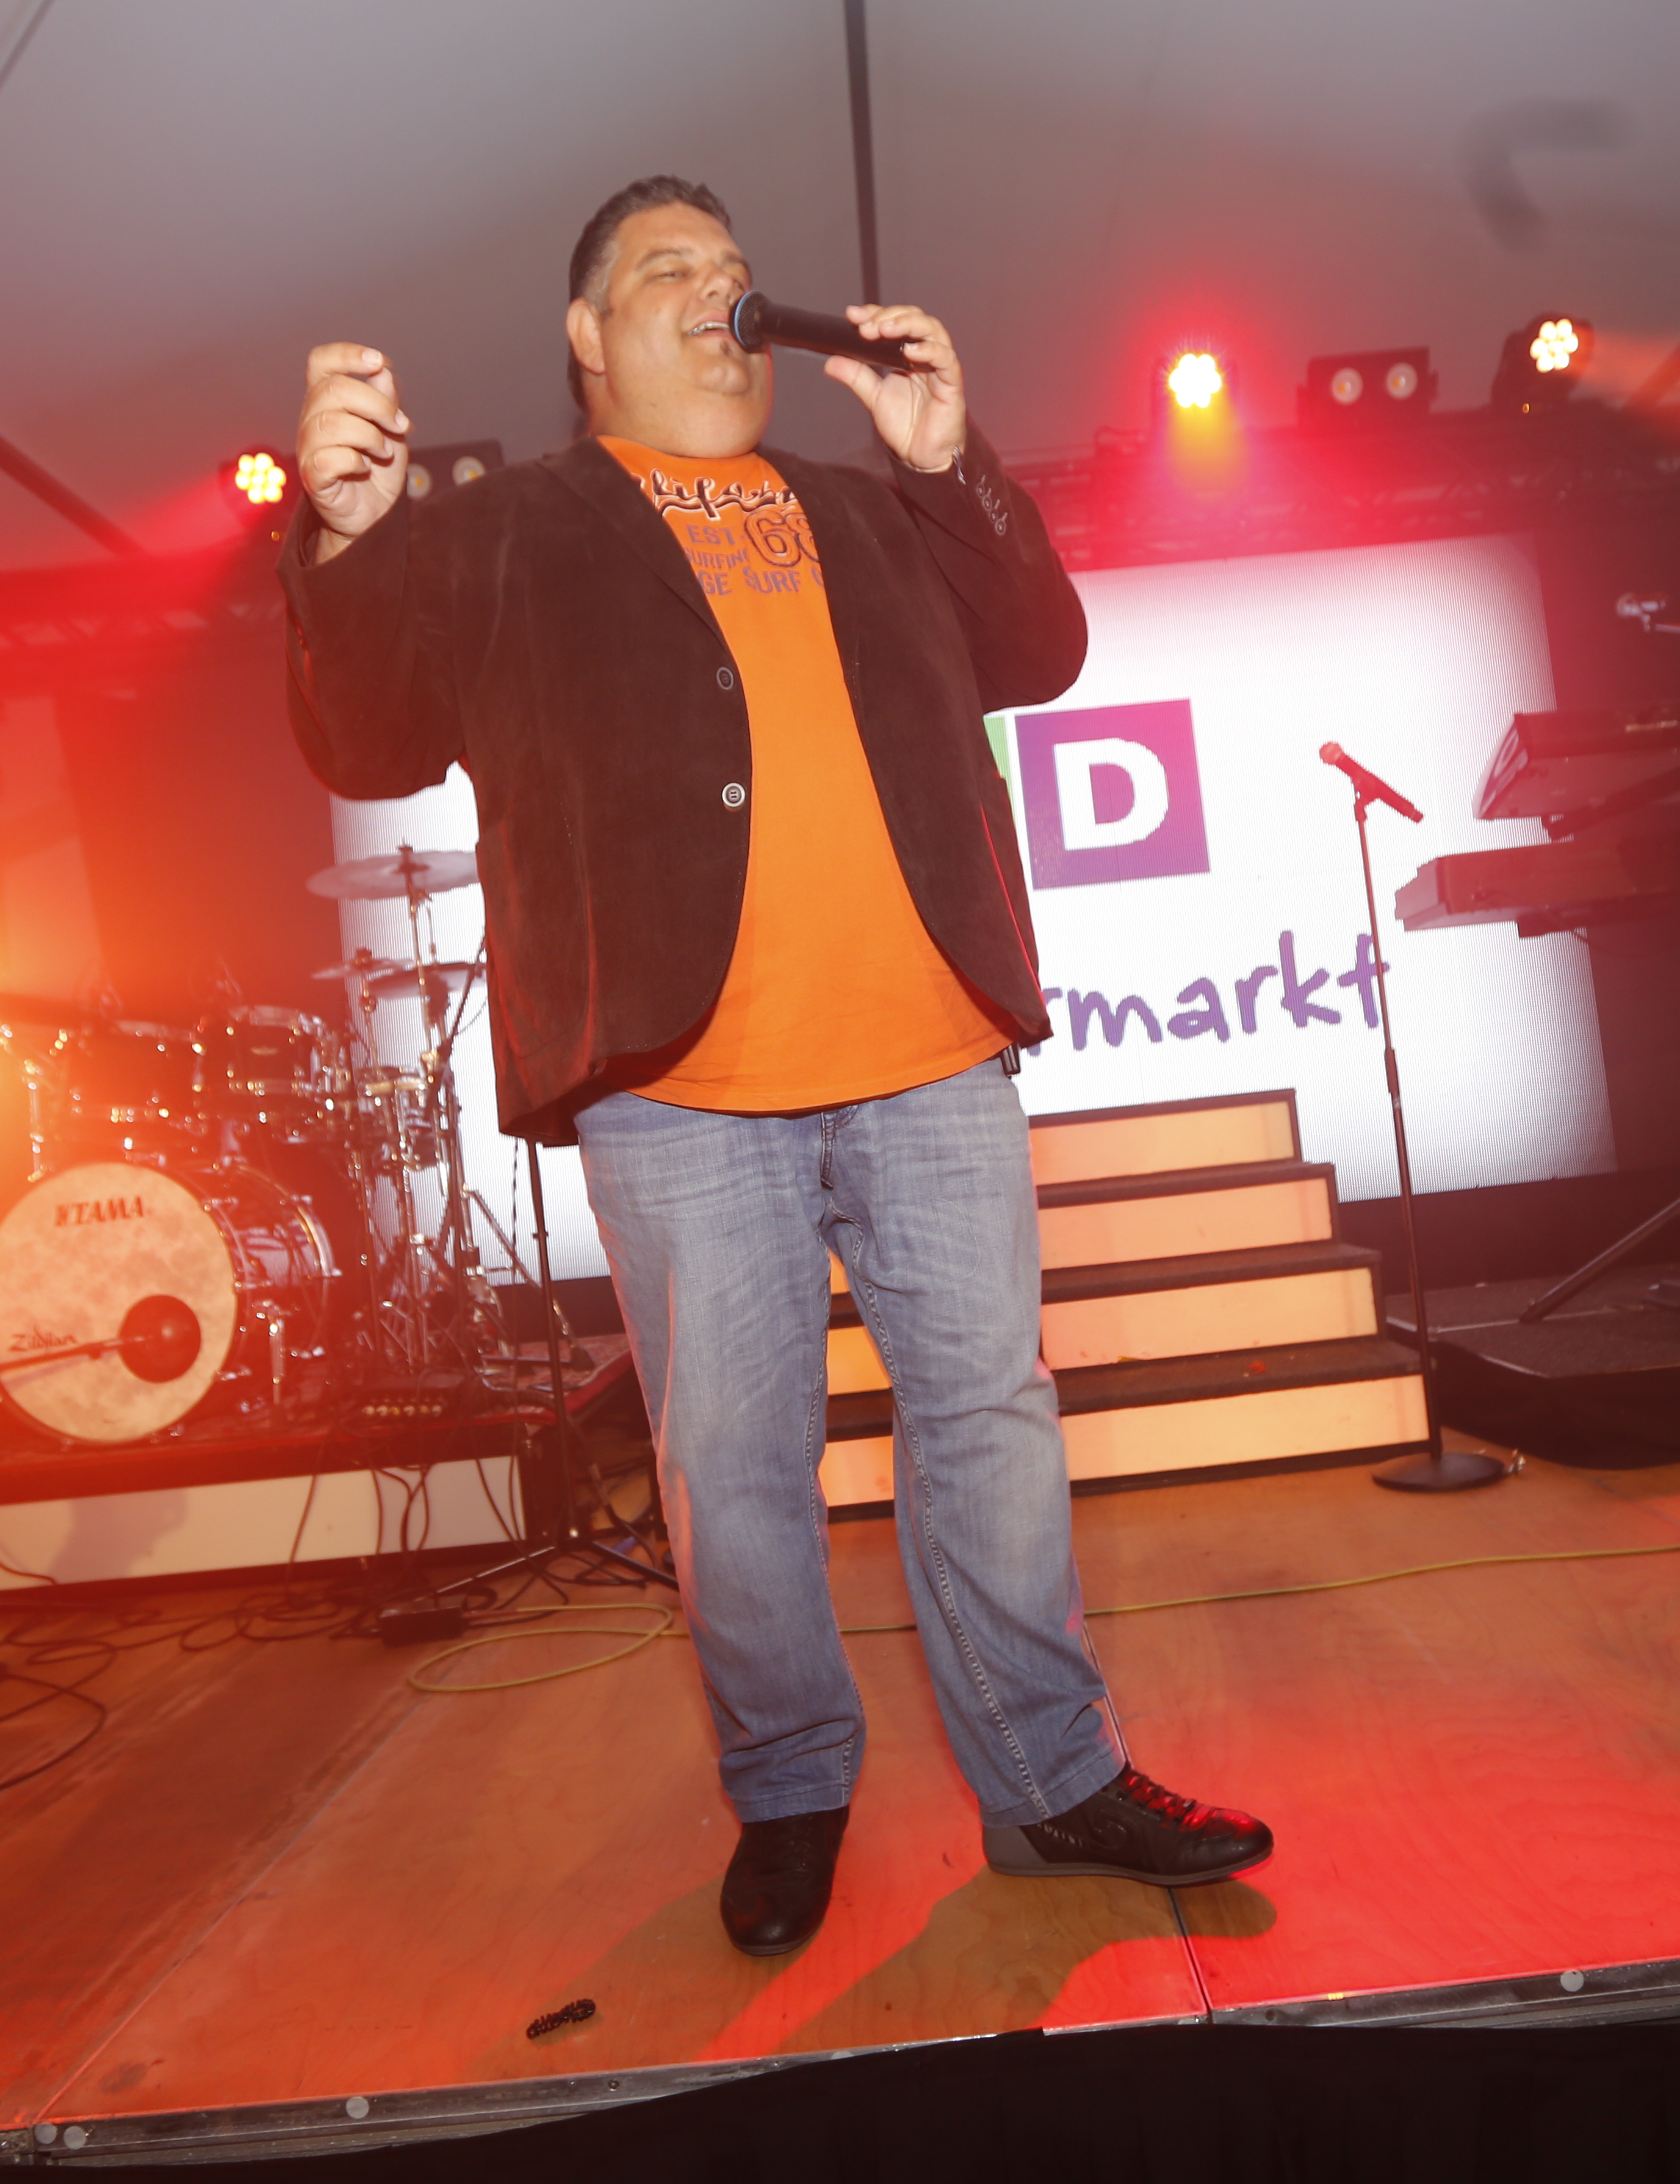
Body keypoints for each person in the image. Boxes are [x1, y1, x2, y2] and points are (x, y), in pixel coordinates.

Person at [284, 176, 1267, 1956]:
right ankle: (793, 1791)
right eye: (668, 268)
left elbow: (1040, 650)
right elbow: (367, 739)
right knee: (735, 1468)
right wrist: (347, 544)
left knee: (991, 1425)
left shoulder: (866, 505)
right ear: (587, 336)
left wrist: (949, 460)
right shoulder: (509, 529)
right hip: (679, 1079)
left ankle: (1054, 1784)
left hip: (931, 1050)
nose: (719, 286)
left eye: (734, 268)